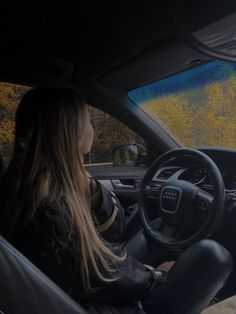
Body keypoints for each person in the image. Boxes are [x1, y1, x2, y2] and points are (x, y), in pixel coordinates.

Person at [0, 87, 232, 314]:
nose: (91, 129)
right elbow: (99, 275)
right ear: (71, 133)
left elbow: (114, 232)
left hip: (72, 293)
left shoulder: (21, 189)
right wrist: (157, 275)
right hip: (94, 303)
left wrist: (91, 189)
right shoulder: (50, 208)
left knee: (155, 234)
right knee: (212, 256)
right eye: (88, 122)